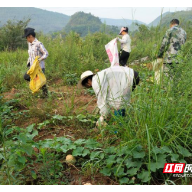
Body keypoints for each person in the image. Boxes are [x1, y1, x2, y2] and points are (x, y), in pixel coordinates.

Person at [22, 27, 49, 98]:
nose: (26, 39)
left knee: (42, 82)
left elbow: (46, 53)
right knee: (26, 77)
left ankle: (46, 96)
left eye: (27, 37)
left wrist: (39, 60)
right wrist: (28, 62)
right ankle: (37, 86)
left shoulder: (39, 44)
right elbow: (30, 55)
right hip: (32, 67)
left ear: (30, 36)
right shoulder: (29, 44)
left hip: (39, 67)